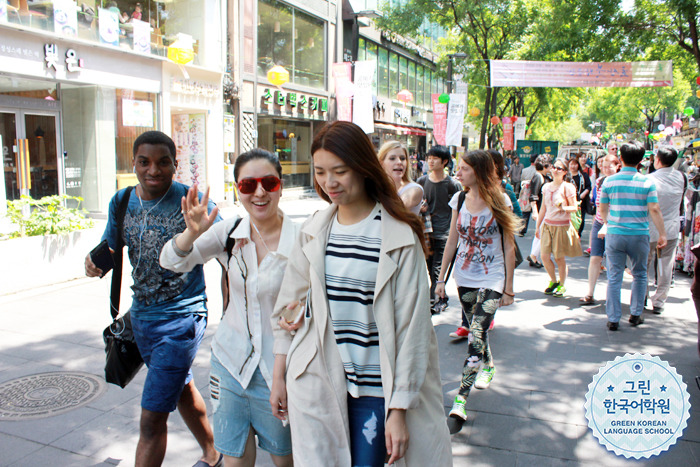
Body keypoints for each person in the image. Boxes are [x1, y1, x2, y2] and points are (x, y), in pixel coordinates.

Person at [269, 121, 453, 467]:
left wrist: (397, 410)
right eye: (321, 172)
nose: (329, 182)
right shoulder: (313, 232)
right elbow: (284, 312)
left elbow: (413, 330)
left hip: (378, 392)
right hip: (322, 385)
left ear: (364, 168)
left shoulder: (397, 236)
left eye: (340, 171)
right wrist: (279, 376)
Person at [84, 131, 221, 467]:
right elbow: (112, 247)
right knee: (182, 389)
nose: (153, 170)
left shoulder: (192, 202)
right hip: (141, 317)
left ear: (176, 164)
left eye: (163, 162)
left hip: (181, 319)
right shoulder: (121, 201)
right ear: (133, 163)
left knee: (151, 419)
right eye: (144, 162)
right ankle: (213, 454)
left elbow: (222, 235)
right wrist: (95, 262)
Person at [160, 149, 295, 467]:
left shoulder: (301, 240)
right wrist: (191, 233)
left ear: (280, 186)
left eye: (269, 183)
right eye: (248, 185)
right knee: (234, 462)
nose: (259, 192)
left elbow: (302, 314)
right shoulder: (231, 232)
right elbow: (171, 261)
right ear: (238, 189)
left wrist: (283, 376)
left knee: (285, 459)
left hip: (279, 372)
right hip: (229, 365)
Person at [434, 150, 520, 434]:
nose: (458, 173)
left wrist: (509, 287)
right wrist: (440, 279)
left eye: (464, 169)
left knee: (477, 333)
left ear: (479, 172)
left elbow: (509, 246)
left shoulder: (500, 200)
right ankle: (489, 363)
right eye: (458, 168)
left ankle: (460, 399)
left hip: (492, 277)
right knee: (475, 329)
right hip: (464, 275)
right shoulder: (458, 198)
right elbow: (451, 241)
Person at [599, 141, 667, 331]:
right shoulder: (647, 182)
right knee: (640, 274)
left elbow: (603, 208)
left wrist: (608, 223)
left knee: (614, 276)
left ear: (620, 158)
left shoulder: (609, 181)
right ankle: (636, 314)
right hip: (639, 234)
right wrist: (662, 233)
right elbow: (654, 208)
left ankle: (613, 318)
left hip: (615, 234)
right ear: (641, 161)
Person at [417, 145, 463, 314]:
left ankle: (434, 300)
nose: (430, 160)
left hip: (445, 234)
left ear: (444, 162)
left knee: (438, 270)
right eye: (429, 157)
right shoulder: (422, 182)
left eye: (435, 158)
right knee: (431, 269)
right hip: (427, 233)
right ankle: (441, 297)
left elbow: (460, 211)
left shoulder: (453, 184)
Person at [646, 147, 686, 314]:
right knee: (666, 264)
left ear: (658, 160)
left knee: (644, 264)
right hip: (671, 227)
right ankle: (660, 301)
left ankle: (642, 296)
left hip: (650, 227)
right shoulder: (682, 177)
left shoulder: (649, 179)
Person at [535, 159, 582, 297]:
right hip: (548, 225)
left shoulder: (568, 187)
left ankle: (562, 284)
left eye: (559, 168)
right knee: (544, 256)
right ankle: (553, 281)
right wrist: (538, 226)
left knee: (559, 258)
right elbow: (543, 208)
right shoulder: (546, 187)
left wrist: (562, 207)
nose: (555, 170)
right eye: (554, 167)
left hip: (562, 226)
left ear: (565, 172)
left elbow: (574, 207)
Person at [579, 154, 620, 305]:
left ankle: (612, 296)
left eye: (610, 165)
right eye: (603, 164)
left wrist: (607, 224)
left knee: (613, 261)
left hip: (614, 225)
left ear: (617, 166)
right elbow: (598, 206)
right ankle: (590, 293)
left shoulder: (619, 182)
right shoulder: (599, 181)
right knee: (595, 258)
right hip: (599, 222)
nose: (606, 168)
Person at [378, 141, 424, 216]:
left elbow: (396, 209)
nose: (399, 162)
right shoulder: (376, 188)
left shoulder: (414, 189)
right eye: (392, 158)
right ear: (381, 163)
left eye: (402, 158)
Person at [526, 155, 551, 266]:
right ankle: (533, 256)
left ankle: (534, 256)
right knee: (542, 234)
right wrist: (535, 211)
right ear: (545, 165)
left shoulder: (546, 177)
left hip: (546, 210)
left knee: (540, 234)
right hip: (542, 211)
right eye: (550, 164)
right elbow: (533, 196)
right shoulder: (538, 177)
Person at [569, 156, 591, 239]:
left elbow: (588, 186)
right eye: (571, 164)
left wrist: (583, 194)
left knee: (580, 218)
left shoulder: (583, 175)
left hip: (581, 201)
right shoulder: (567, 176)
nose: (573, 166)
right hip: (570, 201)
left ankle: (578, 234)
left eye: (575, 164)